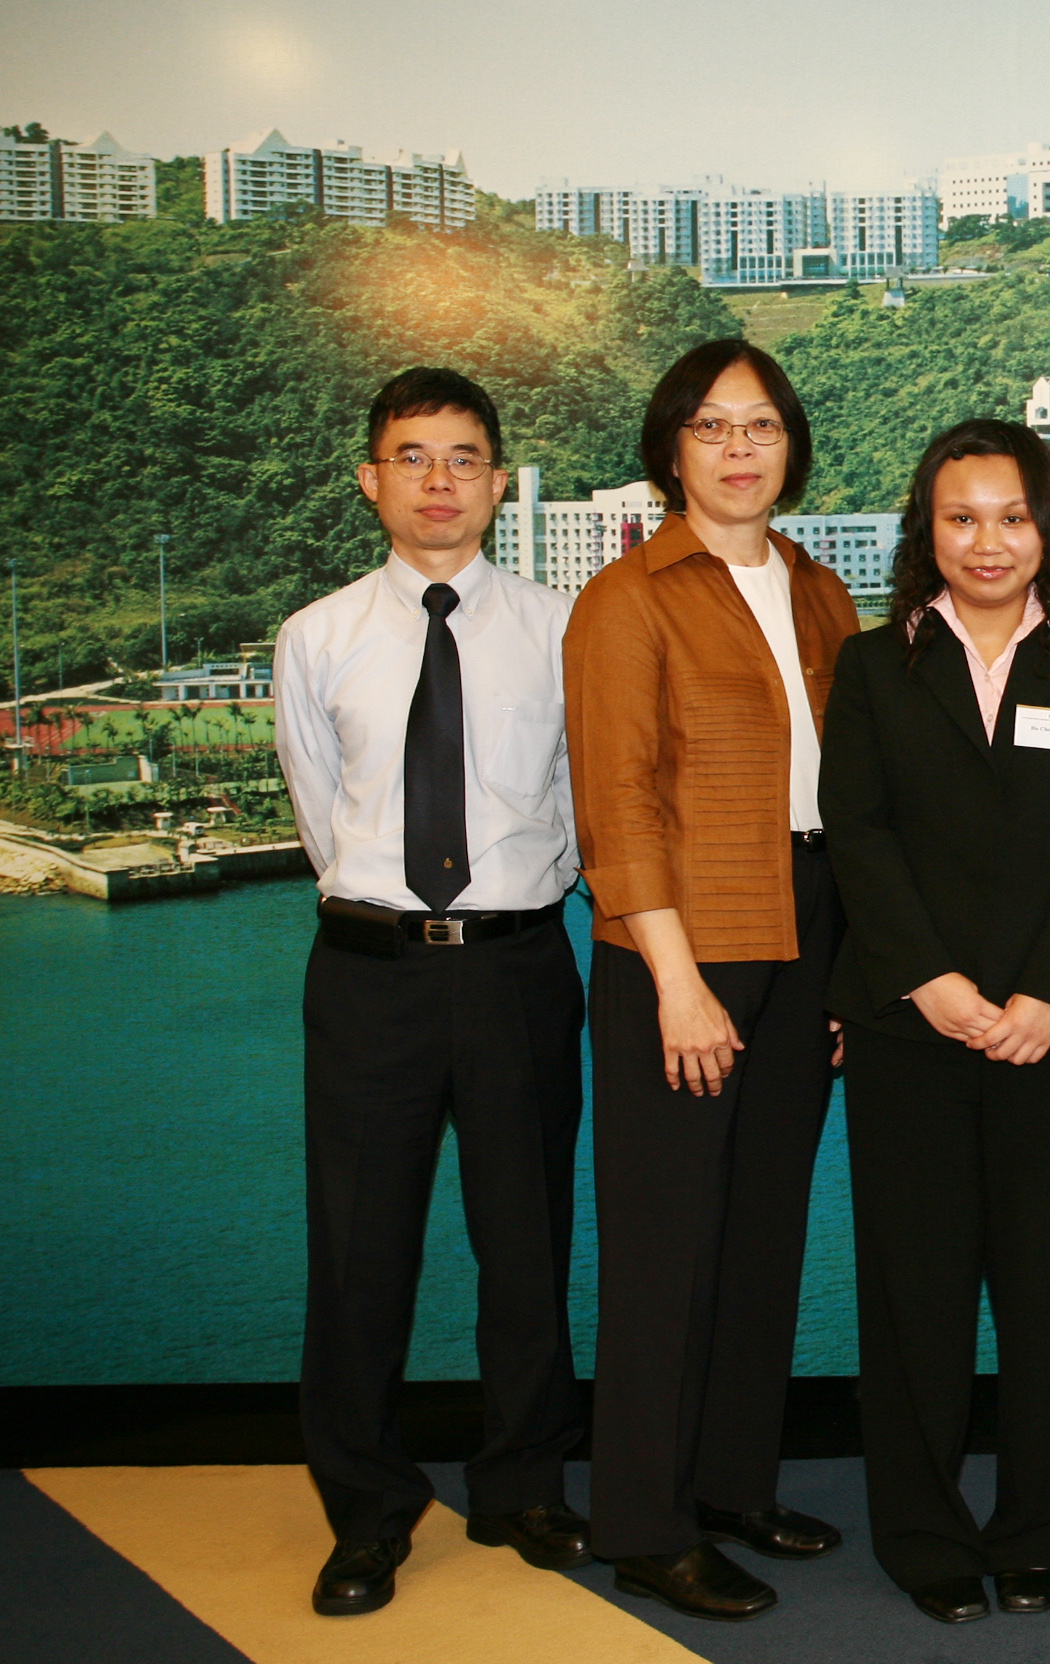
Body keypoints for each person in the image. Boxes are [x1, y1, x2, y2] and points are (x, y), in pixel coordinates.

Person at [822, 419, 1050, 1626]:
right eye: (960, 517)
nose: (987, 540)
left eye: (1011, 516)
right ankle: (920, 1533)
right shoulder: (871, 668)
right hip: (912, 1030)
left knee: (1045, 1283)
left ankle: (1038, 1525)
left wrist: (1046, 993)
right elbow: (857, 835)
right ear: (928, 532)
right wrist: (931, 983)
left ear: (1045, 528)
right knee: (911, 1290)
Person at [274, 367, 588, 1617]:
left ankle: (522, 1482)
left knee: (527, 1242)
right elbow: (321, 812)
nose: (440, 480)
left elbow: (579, 800)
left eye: (465, 457)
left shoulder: (565, 626)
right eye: (413, 456)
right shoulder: (319, 634)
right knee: (359, 1254)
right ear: (372, 479)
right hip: (369, 976)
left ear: (500, 482)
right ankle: (366, 1509)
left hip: (517, 965)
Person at [565, 338, 859, 1623]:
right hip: (681, 946)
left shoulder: (817, 590)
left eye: (760, 425)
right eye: (709, 426)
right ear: (669, 449)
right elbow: (617, 805)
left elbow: (848, 794)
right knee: (663, 1248)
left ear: (789, 446)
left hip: (805, 932)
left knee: (760, 1238)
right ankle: (642, 1520)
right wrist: (675, 979)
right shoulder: (627, 597)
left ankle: (732, 1485)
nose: (739, 448)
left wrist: (844, 970)